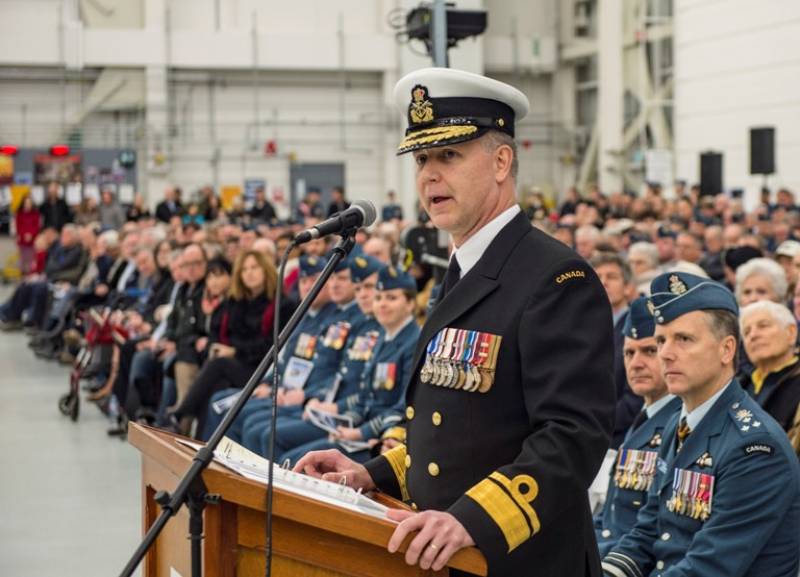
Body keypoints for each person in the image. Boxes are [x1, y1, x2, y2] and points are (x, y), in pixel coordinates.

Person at [294, 67, 615, 576]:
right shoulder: (464, 271)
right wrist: (369, 474)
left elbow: (573, 437)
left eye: (449, 155)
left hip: (517, 560)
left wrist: (472, 521)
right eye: (421, 159)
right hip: (446, 554)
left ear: (501, 162)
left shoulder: (555, 278)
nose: (428, 175)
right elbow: (452, 430)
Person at [602, 272, 800, 577]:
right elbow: (647, 532)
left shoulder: (756, 448)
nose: (666, 354)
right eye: (661, 340)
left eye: (684, 339)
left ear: (727, 349)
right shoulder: (678, 424)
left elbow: (709, 566)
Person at [279, 265, 420, 464]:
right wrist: (344, 423)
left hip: (383, 438)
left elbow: (403, 406)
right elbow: (365, 397)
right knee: (286, 452)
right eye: (379, 298)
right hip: (359, 426)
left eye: (391, 298)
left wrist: (360, 432)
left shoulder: (414, 342)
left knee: (293, 459)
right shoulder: (383, 337)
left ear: (411, 303)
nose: (382, 304)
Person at [594, 297, 681, 556]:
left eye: (649, 351)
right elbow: (609, 517)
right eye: (629, 353)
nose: (636, 363)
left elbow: (656, 531)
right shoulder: (646, 417)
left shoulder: (678, 424)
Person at [591, 252, 642, 448]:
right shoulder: (580, 326)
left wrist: (592, 423)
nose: (603, 282)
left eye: (611, 277)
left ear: (628, 287)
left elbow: (635, 399)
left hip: (614, 438)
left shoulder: (638, 327)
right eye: (598, 277)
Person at [739, 300, 800, 435]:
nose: (753, 335)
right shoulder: (738, 388)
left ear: (791, 332)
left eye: (763, 326)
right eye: (747, 332)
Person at [15, 194, 40, 275]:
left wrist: (31, 235)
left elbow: (37, 227)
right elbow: (18, 227)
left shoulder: (35, 214)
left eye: (29, 203)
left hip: (33, 241)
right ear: (23, 204)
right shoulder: (19, 214)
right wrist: (24, 235)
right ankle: (22, 275)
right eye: (26, 203)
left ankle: (30, 275)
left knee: (31, 260)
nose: (28, 205)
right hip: (22, 241)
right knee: (23, 260)